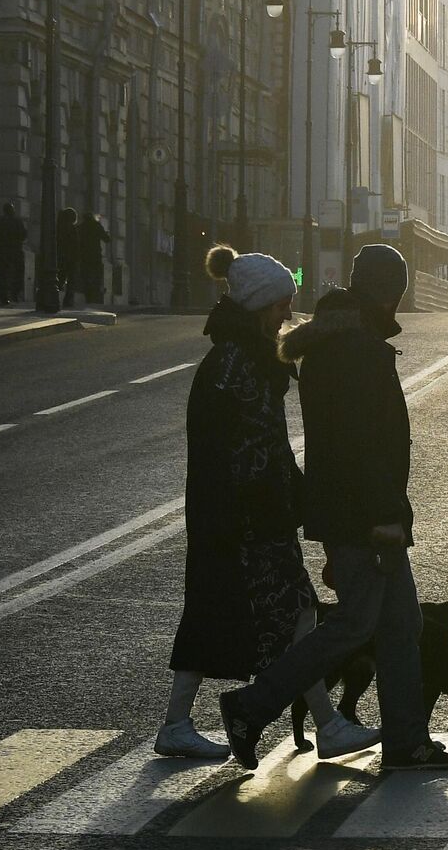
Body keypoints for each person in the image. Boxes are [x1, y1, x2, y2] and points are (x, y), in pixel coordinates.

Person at [218, 244, 448, 773]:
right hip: (365, 514)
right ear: (390, 290)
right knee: (354, 624)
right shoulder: (358, 350)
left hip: (350, 507)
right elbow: (365, 444)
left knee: (401, 625)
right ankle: (250, 705)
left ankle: (405, 741)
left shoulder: (336, 341)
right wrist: (385, 517)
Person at [157, 244, 382, 761]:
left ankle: (322, 725)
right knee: (276, 614)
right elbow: (250, 447)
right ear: (259, 305)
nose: (286, 313)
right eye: (281, 304)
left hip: (242, 513)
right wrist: (285, 500)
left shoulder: (241, 355)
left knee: (265, 615)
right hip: (245, 518)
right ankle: (324, 726)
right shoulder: (237, 362)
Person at [0, 202, 27, 305]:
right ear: (12, 211)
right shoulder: (17, 221)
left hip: (2, 252)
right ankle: (15, 294)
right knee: (17, 274)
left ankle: (4, 297)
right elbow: (24, 235)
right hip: (15, 252)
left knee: (2, 275)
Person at [56, 208, 80, 308]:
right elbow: (76, 244)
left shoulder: (59, 227)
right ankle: (68, 301)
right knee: (71, 280)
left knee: (61, 278)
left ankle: (56, 298)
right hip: (71, 258)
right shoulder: (72, 228)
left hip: (61, 257)